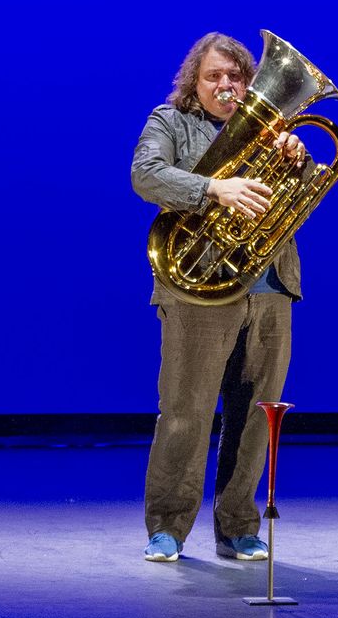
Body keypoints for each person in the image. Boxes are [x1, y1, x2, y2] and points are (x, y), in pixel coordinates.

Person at [131, 32, 309, 562]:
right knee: (186, 413)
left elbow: (288, 203)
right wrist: (213, 189)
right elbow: (145, 174)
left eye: (235, 77)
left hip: (270, 287)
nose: (226, 86)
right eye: (214, 77)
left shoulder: (271, 129)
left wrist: (296, 160)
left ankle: (238, 526)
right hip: (199, 289)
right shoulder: (170, 122)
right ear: (195, 81)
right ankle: (167, 527)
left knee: (257, 415)